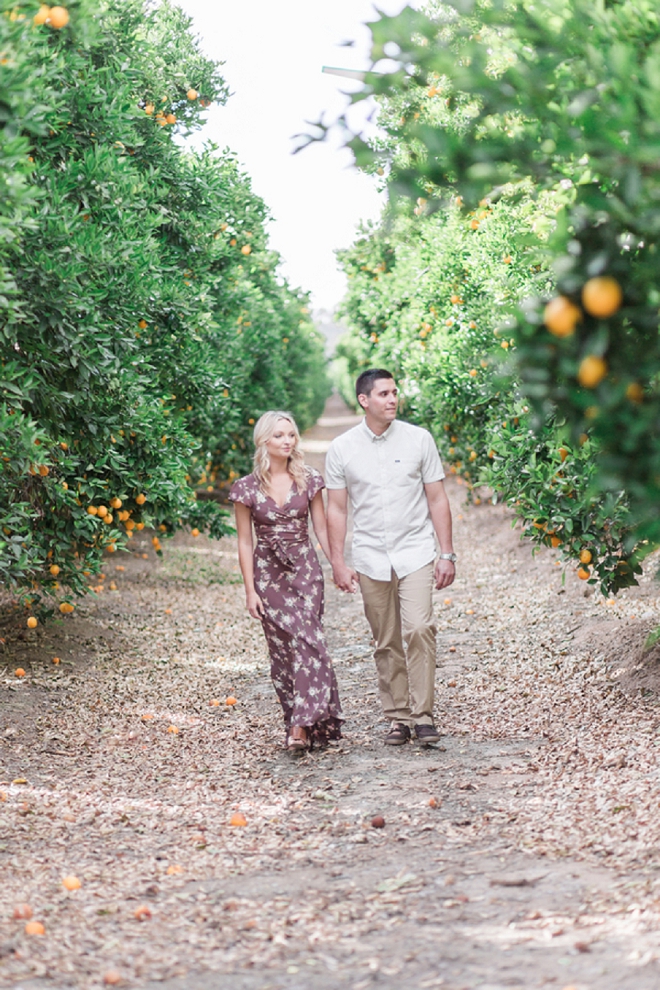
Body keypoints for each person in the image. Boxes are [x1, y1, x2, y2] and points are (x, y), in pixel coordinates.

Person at [325, 369, 455, 747]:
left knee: (418, 628)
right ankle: (398, 717)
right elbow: (336, 509)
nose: (393, 399)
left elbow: (437, 498)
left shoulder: (419, 439)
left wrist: (446, 553)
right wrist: (338, 561)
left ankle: (424, 715)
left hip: (415, 551)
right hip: (370, 556)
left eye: (395, 392)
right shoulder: (343, 448)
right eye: (383, 394)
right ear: (364, 400)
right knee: (386, 640)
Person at [230, 410, 342, 753]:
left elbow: (320, 526)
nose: (287, 441)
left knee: (310, 643)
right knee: (281, 652)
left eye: (291, 435)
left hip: (305, 571)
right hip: (268, 575)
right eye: (279, 435)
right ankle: (299, 719)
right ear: (264, 440)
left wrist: (337, 563)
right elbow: (245, 541)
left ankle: (301, 725)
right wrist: (250, 591)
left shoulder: (309, 479)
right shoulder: (246, 488)